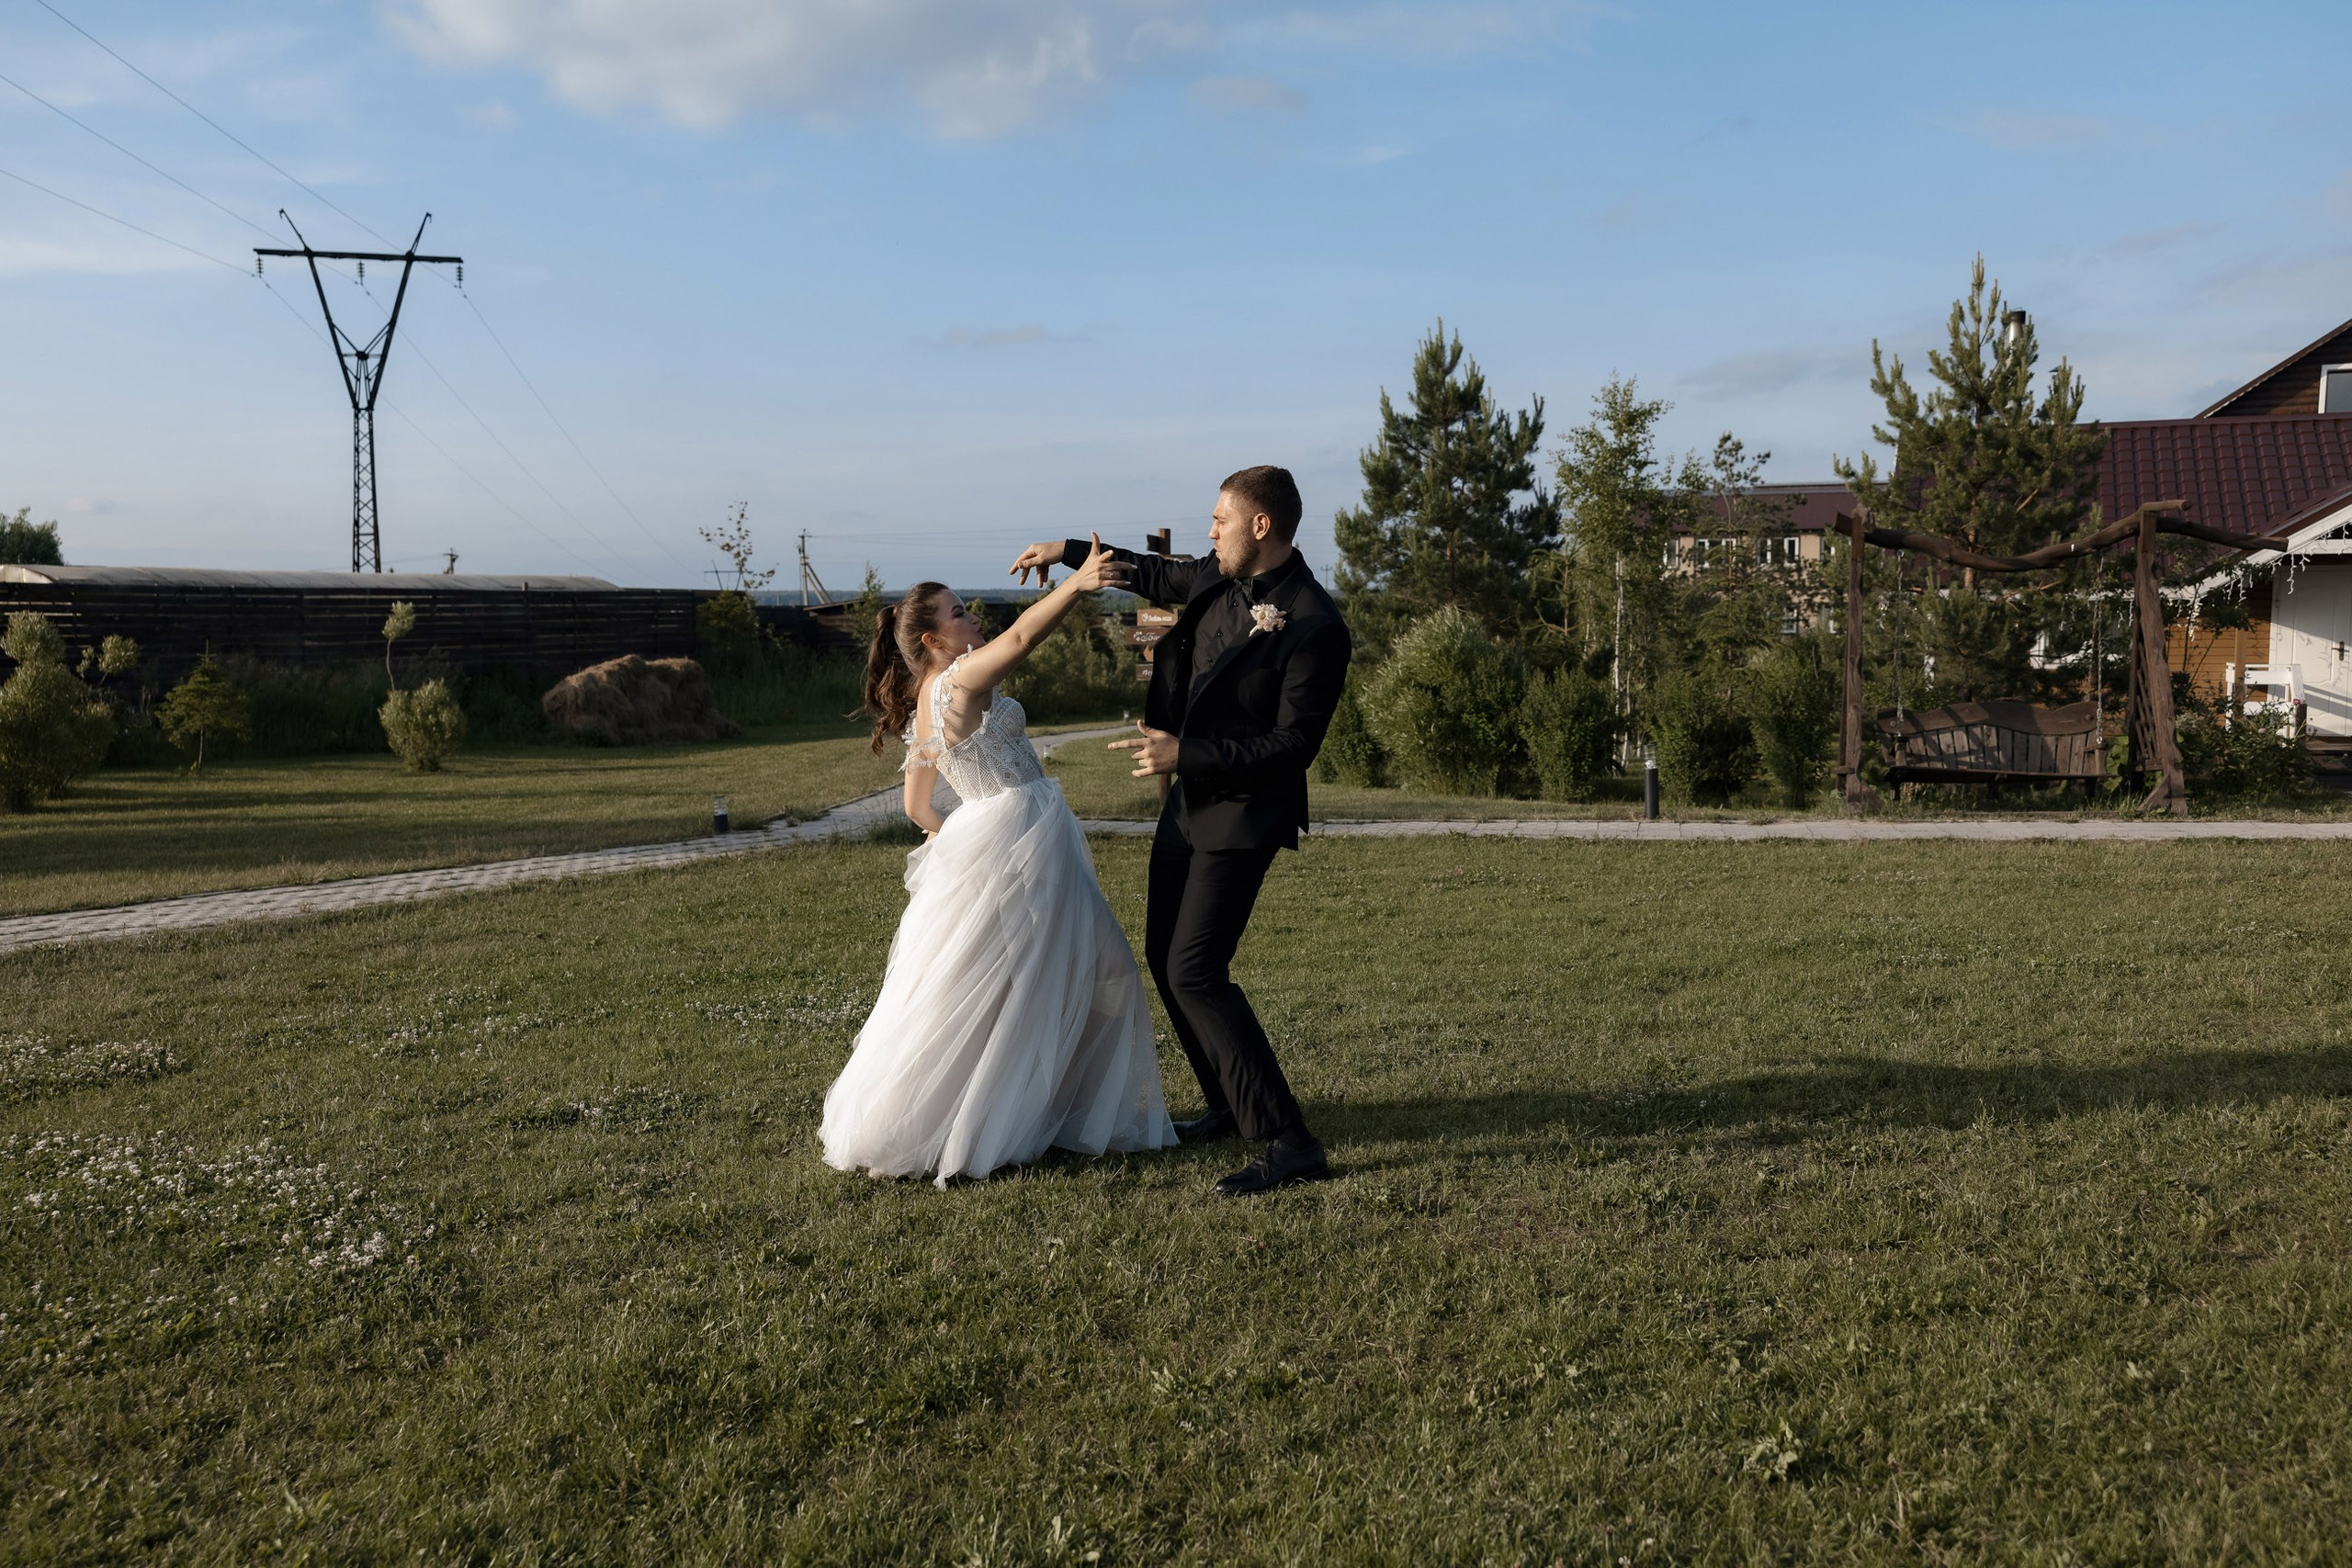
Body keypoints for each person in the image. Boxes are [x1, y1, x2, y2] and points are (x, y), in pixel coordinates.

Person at [1010, 466, 1352, 1197]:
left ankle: (1289, 1141)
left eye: (1220, 519)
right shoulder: (1218, 580)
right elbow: (1154, 571)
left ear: (1261, 526)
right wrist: (1066, 548)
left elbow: (1294, 749)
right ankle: (1228, 1104)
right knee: (1167, 960)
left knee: (1198, 969)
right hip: (1188, 807)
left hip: (1243, 816)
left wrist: (1181, 753)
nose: (1210, 530)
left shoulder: (1317, 625)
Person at [820, 536, 1178, 1186]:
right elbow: (1017, 643)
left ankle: (1059, 1109)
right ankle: (1062, 1117)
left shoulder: (928, 695)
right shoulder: (955, 681)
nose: (971, 616)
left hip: (1004, 837)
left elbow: (917, 805)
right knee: (1088, 972)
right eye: (957, 612)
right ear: (931, 639)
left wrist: (958, 839)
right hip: (1020, 836)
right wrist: (1076, 584)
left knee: (1030, 981)